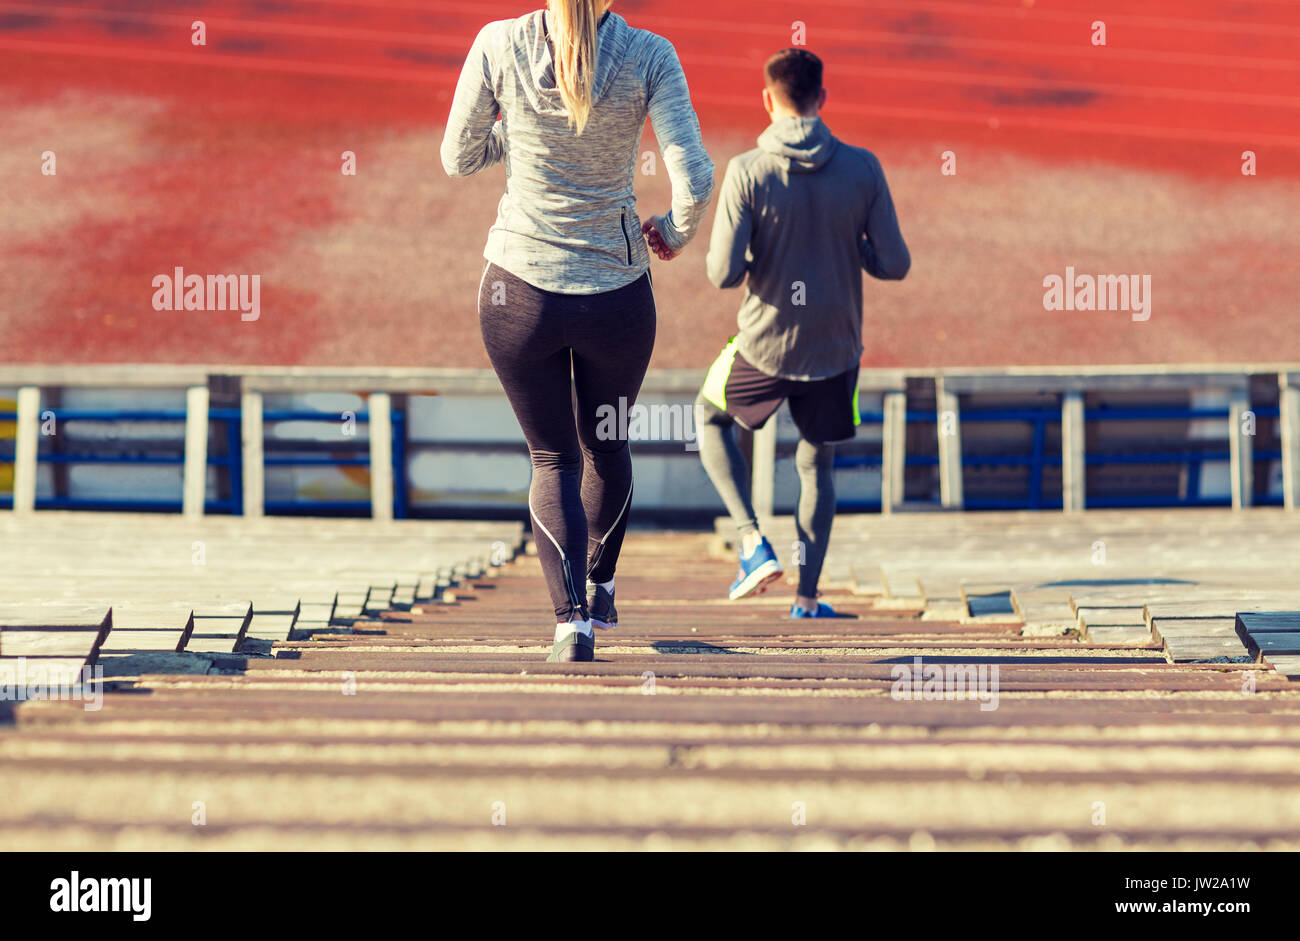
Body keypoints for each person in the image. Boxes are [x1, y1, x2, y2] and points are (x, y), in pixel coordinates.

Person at [441, 1, 714, 661]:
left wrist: (519, 134)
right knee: (607, 444)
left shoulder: (497, 42)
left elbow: (458, 156)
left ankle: (572, 625)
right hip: (616, 296)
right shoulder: (652, 54)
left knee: (552, 458)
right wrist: (672, 234)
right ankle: (603, 581)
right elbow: (697, 180)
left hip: (517, 291)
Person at [695, 47, 910, 618]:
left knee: (708, 416)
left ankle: (751, 542)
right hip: (836, 350)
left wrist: (752, 257)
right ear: (822, 99)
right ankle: (808, 599)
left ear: (767, 100)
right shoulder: (863, 168)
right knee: (817, 466)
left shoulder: (747, 170)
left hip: (765, 343)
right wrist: (850, 243)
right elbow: (895, 263)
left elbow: (722, 274)